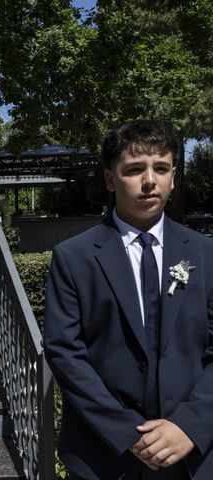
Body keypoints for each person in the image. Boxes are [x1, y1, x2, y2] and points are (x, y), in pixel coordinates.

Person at [43, 120, 213, 479]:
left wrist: (189, 426)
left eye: (161, 168)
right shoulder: (74, 258)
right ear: (110, 179)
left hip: (192, 455)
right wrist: (126, 433)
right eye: (134, 170)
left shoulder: (204, 253)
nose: (150, 180)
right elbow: (64, 353)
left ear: (173, 176)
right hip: (105, 457)